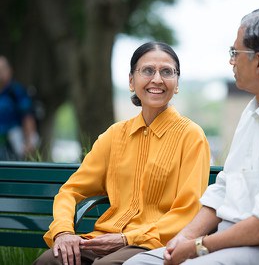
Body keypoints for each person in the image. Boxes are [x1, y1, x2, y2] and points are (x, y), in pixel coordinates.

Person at [124, 7, 259, 265]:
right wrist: (183, 238)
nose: (231, 61)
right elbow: (225, 188)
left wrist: (198, 246)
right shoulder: (256, 111)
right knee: (138, 263)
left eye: (235, 53)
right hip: (231, 241)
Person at [33, 42, 211, 265]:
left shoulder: (191, 136)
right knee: (51, 261)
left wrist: (127, 238)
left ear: (176, 84)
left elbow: (188, 211)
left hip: (156, 244)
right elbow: (71, 191)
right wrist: (63, 233)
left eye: (167, 72)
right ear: (130, 81)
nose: (157, 79)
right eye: (147, 70)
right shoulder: (115, 135)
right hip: (101, 240)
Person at [0, 55, 39, 160]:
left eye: (2, 69)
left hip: (11, 143)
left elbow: (27, 116)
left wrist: (30, 142)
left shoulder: (17, 92)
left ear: (9, 71)